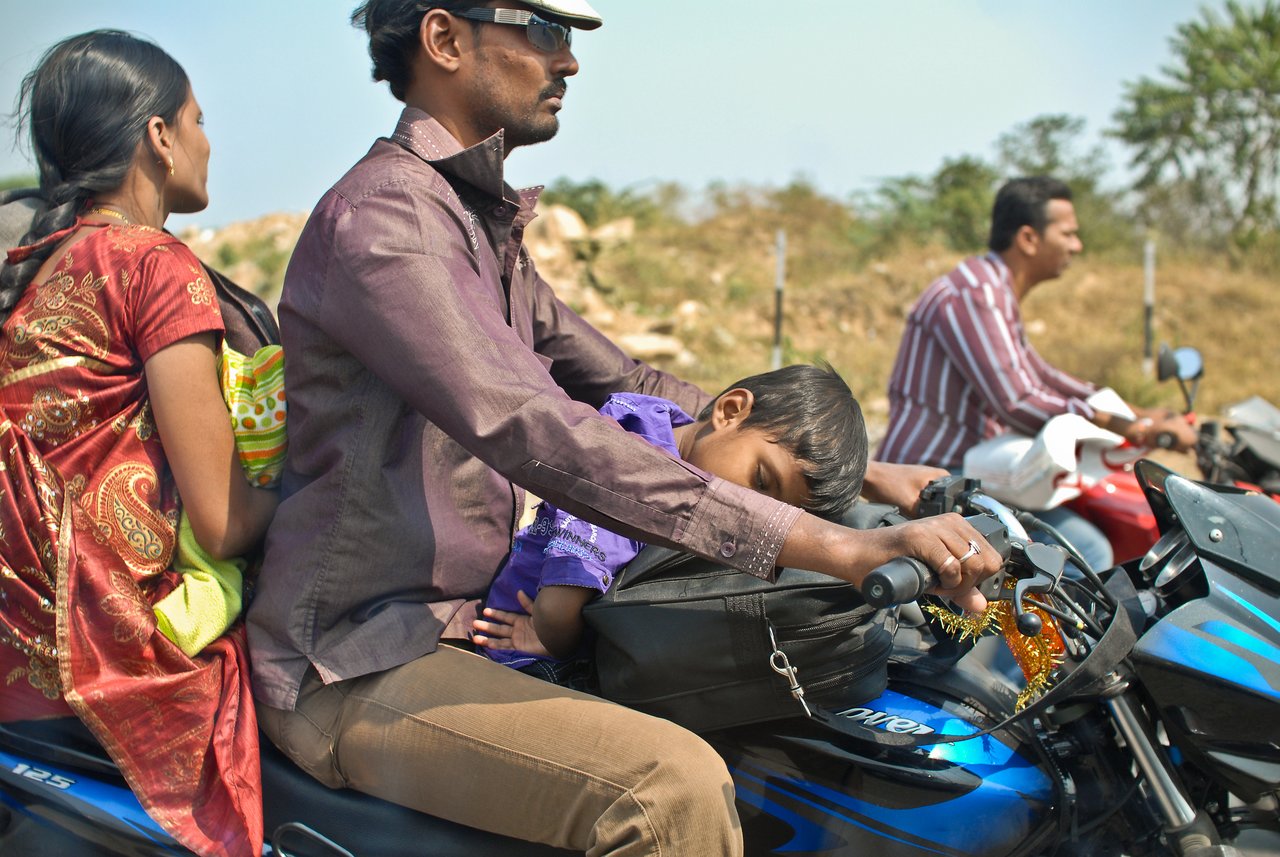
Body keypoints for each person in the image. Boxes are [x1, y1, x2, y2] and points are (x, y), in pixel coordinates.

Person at [246, 2, 1001, 854]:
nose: (567, 63)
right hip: (363, 654)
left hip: (464, 629)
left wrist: (865, 477)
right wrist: (838, 546)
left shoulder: (472, 223)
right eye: (545, 31)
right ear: (446, 39)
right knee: (669, 786)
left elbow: (630, 384)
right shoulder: (386, 222)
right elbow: (535, 426)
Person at [0, 31, 277, 857]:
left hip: (21, 659)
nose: (207, 141)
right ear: (158, 136)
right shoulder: (156, 266)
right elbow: (224, 523)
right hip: (111, 667)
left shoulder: (31, 270)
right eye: (195, 119)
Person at [877, 176, 1197, 571]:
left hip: (975, 469)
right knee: (1086, 552)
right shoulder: (976, 294)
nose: (1077, 246)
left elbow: (1041, 374)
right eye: (1068, 234)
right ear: (1028, 238)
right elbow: (1017, 400)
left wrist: (1138, 413)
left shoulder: (996, 292)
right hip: (934, 475)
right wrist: (1130, 428)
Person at [473, 364, 867, 680]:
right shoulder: (639, 474)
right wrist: (552, 642)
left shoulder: (653, 423)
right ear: (730, 411)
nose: (756, 511)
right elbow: (557, 609)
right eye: (762, 481)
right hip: (526, 653)